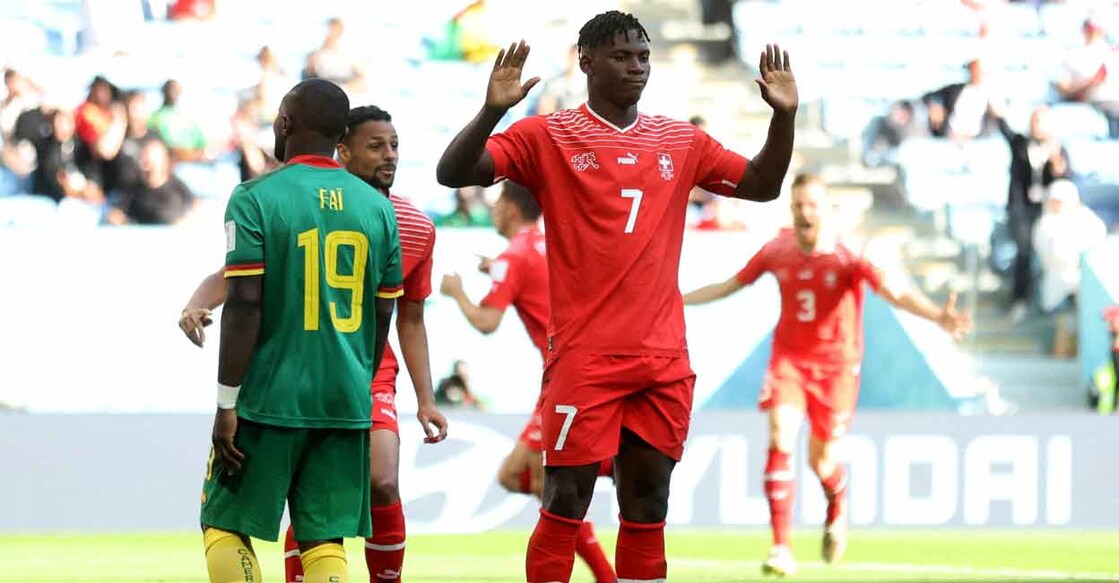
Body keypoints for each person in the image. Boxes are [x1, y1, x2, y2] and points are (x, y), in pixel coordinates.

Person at [435, 10, 798, 582]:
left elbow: (763, 184)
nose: (636, 67)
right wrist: (491, 112)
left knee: (648, 504)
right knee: (565, 498)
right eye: (622, 56)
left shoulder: (681, 140)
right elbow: (453, 172)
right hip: (585, 358)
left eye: (643, 57)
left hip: (662, 359)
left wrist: (785, 118)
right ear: (586, 62)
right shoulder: (548, 135)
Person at [180, 104, 448, 583]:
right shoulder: (379, 214)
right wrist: (358, 380)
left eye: (394, 145)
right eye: (376, 145)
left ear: (286, 124)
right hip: (348, 382)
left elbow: (245, 296)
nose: (389, 155)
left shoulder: (265, 195)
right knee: (324, 535)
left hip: (280, 385)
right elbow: (385, 313)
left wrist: (226, 402)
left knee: (226, 522)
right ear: (342, 147)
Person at [682, 174, 973, 576]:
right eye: (798, 205)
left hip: (836, 370)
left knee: (821, 463)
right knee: (780, 434)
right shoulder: (777, 251)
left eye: (812, 205)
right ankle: (781, 547)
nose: (804, 213)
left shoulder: (848, 256)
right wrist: (676, 299)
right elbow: (729, 285)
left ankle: (837, 502)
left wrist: (937, 316)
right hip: (789, 361)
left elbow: (895, 292)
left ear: (826, 210)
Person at [439, 180, 617, 582]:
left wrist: (457, 293)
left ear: (513, 209)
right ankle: (607, 466)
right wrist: (498, 268)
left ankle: (613, 474)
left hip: (567, 374)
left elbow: (487, 322)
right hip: (572, 371)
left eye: (498, 203)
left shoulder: (514, 256)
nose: (493, 210)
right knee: (514, 475)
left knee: (543, 479)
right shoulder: (549, 244)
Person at [989, 103, 1072, 323]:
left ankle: (1049, 302)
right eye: (1034, 121)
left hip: (1046, 212)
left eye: (1041, 122)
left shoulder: (1058, 150)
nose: (1036, 126)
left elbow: (1065, 183)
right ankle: (1019, 300)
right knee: (1024, 251)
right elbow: (1004, 127)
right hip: (1021, 209)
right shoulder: (1020, 143)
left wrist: (1056, 163)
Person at [106, 137, 195, 225]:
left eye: (147, 157)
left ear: (163, 160)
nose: (142, 161)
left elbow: (190, 214)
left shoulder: (178, 189)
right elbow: (117, 213)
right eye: (142, 156)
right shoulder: (134, 189)